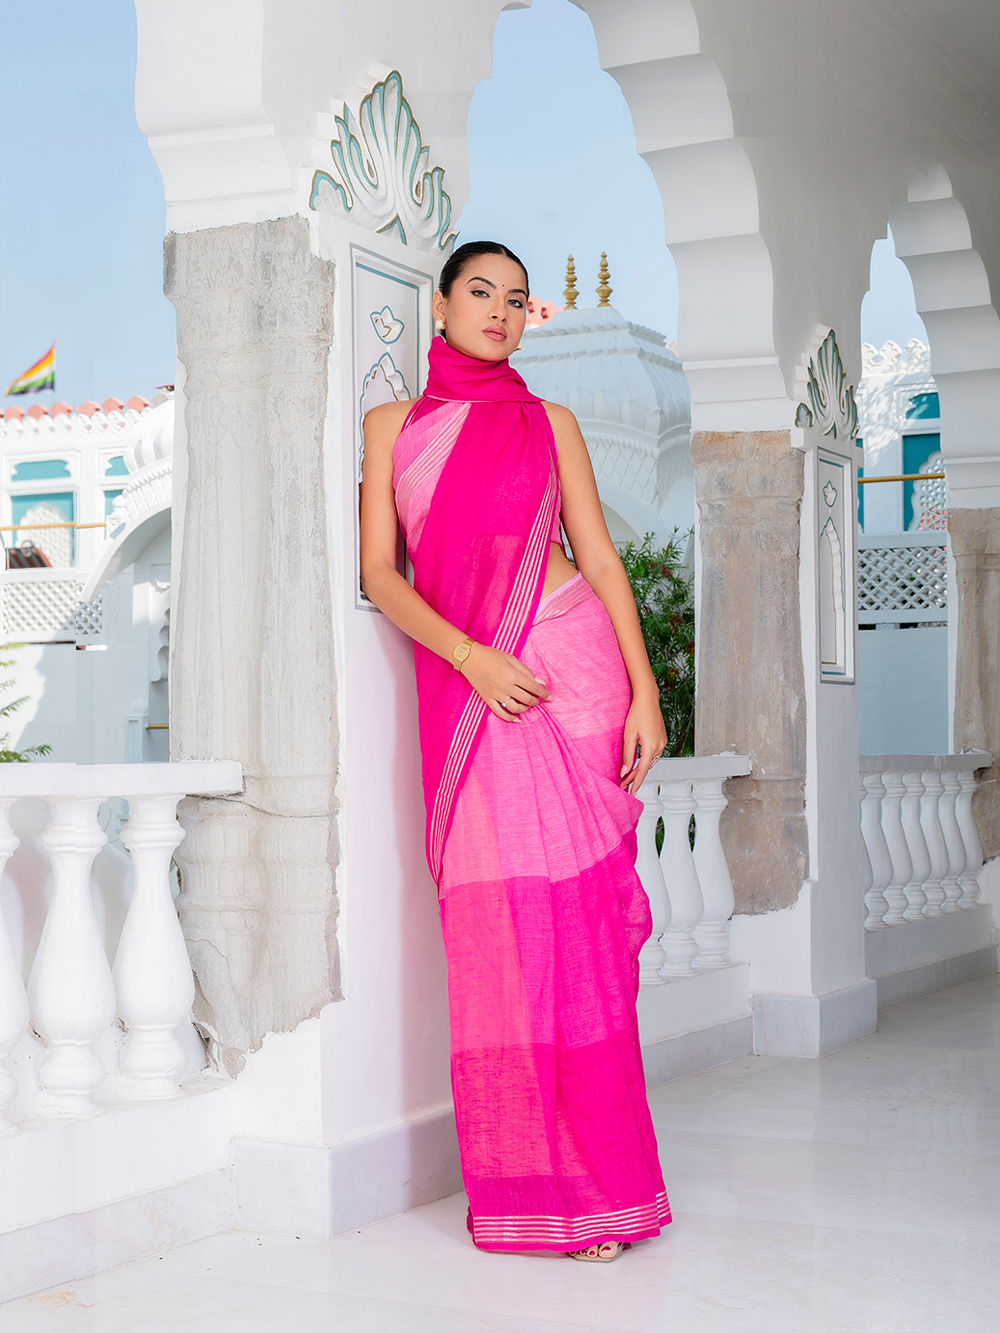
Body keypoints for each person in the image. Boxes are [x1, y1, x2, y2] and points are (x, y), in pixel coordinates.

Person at [360, 241, 671, 1263]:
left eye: (514, 299)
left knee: (578, 943)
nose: (497, 311)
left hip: (577, 679)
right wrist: (474, 658)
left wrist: (648, 691)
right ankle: (533, 1190)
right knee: (503, 945)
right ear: (440, 305)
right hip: (478, 693)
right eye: (479, 293)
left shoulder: (551, 424)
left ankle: (603, 1186)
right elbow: (382, 576)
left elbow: (601, 557)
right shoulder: (394, 429)